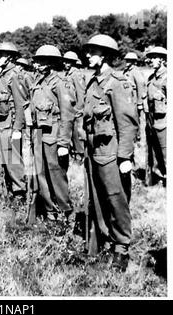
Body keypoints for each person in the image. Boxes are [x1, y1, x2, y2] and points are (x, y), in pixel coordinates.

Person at [83, 34, 139, 271]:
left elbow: (127, 123)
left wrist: (125, 157)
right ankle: (106, 240)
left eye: (93, 51)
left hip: (112, 154)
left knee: (117, 202)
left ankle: (121, 249)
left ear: (104, 55)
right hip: (95, 152)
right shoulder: (93, 81)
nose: (88, 55)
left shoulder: (118, 82)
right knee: (99, 201)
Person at [28, 45, 75, 223]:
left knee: (56, 176)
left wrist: (63, 143)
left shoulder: (60, 83)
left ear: (51, 62)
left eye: (40, 60)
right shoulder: (39, 81)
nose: (36, 63)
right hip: (39, 134)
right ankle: (49, 211)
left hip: (54, 137)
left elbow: (67, 115)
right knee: (41, 175)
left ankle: (65, 212)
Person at [0, 42, 27, 202]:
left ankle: (19, 193)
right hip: (2, 124)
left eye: (1, 55)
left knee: (14, 162)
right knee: (6, 161)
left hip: (11, 125)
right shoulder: (2, 75)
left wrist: (17, 128)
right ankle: (11, 192)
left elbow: (20, 104)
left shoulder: (14, 75)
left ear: (10, 57)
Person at [145, 46, 167, 186]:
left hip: (164, 122)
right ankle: (158, 176)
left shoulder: (167, 78)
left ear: (162, 60)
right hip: (151, 121)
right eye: (151, 57)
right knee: (153, 152)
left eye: (155, 57)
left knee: (166, 153)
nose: (151, 60)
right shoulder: (151, 78)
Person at [63, 51, 86, 162]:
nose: (65, 63)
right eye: (65, 61)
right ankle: (75, 154)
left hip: (77, 110)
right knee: (72, 134)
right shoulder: (68, 74)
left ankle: (80, 156)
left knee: (78, 133)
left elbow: (81, 93)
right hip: (70, 110)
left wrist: (79, 109)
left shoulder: (76, 74)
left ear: (73, 62)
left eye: (68, 62)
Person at [123, 52, 147, 142]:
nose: (127, 62)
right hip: (127, 98)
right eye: (127, 60)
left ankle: (138, 135)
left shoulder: (135, 71)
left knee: (136, 118)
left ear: (134, 61)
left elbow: (140, 85)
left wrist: (140, 102)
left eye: (130, 60)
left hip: (134, 99)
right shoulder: (126, 71)